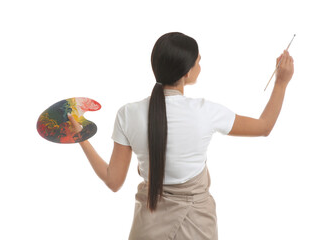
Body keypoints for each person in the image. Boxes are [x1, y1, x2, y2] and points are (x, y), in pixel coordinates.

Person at [68, 32, 294, 240]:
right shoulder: (206, 112)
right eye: (199, 62)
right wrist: (281, 82)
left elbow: (113, 181)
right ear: (187, 72)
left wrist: (82, 138)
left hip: (148, 225)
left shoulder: (127, 114)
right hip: (198, 225)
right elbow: (264, 126)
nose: (200, 66)